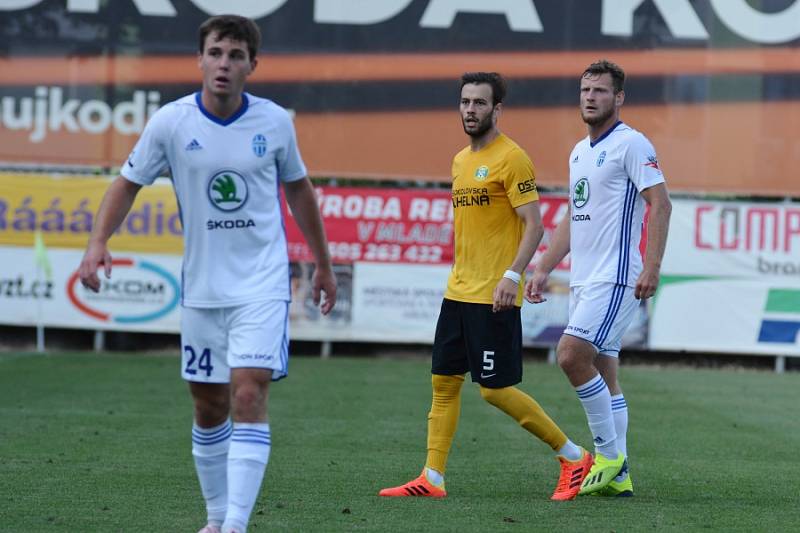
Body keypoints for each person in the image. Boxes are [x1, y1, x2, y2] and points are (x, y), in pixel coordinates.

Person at [78, 15, 336, 533]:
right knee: (208, 403)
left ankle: (235, 524)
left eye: (236, 55)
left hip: (262, 284)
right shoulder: (171, 123)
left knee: (247, 392)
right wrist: (97, 243)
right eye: (216, 52)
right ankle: (216, 519)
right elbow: (127, 182)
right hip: (202, 289)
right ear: (200, 59)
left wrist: (323, 266)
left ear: (252, 66)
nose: (224, 64)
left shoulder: (274, 123)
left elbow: (300, 191)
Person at [379, 72, 592, 502]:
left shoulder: (512, 158)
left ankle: (573, 456)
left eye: (479, 103)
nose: (470, 110)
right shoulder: (460, 161)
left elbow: (534, 225)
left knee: (494, 389)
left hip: (493, 295)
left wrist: (512, 276)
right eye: (465, 102)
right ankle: (432, 477)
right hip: (457, 292)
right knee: (443, 382)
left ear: (497, 109)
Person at [525, 60, 672, 497]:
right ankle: (620, 476)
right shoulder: (579, 151)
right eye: (585, 89)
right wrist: (544, 266)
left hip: (615, 278)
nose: (591, 97)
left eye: (601, 91)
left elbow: (660, 204)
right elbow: (575, 214)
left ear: (619, 98)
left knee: (570, 355)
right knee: (606, 373)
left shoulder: (632, 144)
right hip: (585, 281)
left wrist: (652, 266)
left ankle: (607, 456)